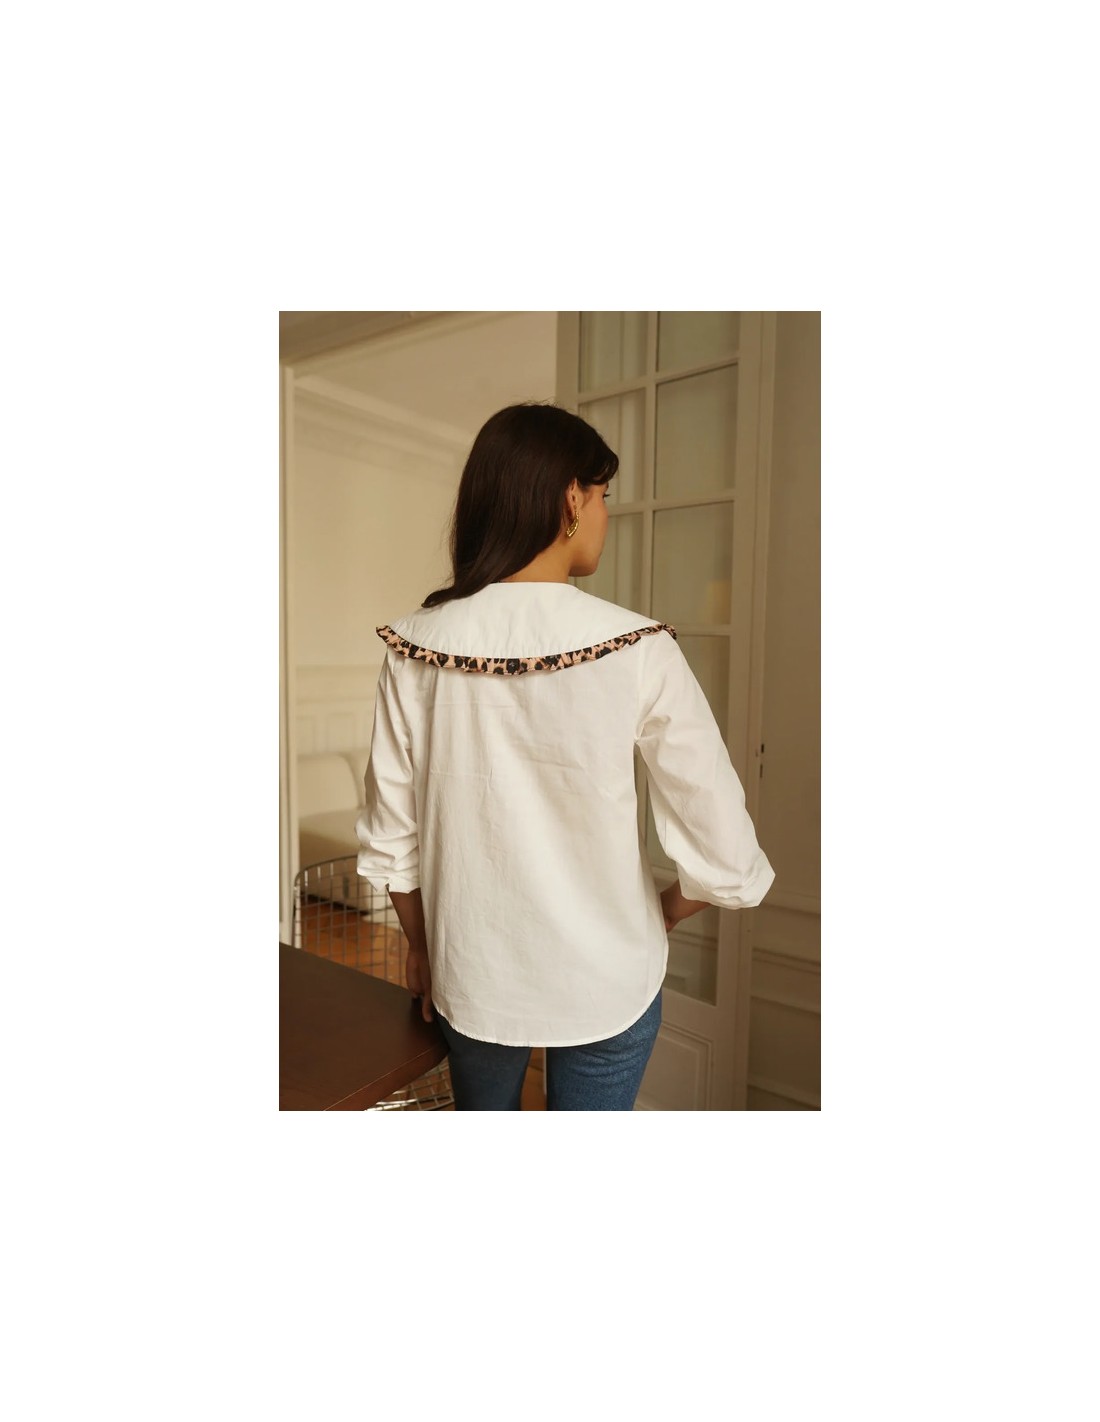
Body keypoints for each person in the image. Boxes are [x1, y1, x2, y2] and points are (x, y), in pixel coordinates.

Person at [356, 401, 774, 1110]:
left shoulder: (414, 648)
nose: (606, 515)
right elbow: (726, 851)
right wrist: (661, 912)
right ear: (571, 500)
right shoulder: (638, 648)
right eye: (603, 495)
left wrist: (424, 950)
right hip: (609, 977)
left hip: (473, 977)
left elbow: (392, 840)